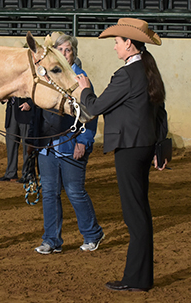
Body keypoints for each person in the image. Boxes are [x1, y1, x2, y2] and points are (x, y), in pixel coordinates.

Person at [75, 18, 168, 293]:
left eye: (117, 42)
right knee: (140, 211)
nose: (115, 47)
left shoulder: (126, 75)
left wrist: (84, 89)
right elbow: (159, 113)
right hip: (143, 146)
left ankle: (136, 279)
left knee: (134, 214)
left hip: (129, 147)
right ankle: (141, 277)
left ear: (129, 44)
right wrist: (160, 147)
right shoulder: (148, 70)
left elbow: (94, 107)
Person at [30, 32, 104, 255]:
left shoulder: (80, 78)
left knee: (74, 191)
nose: (64, 54)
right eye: (59, 50)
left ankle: (92, 234)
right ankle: (51, 240)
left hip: (71, 143)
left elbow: (91, 112)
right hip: (48, 144)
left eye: (67, 50)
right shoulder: (50, 77)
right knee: (50, 192)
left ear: (73, 54)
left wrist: (83, 141)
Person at [0, 97, 33, 182]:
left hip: (25, 112)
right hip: (11, 111)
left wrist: (30, 104)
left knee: (27, 147)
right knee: (10, 144)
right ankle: (11, 173)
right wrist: (3, 97)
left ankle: (27, 174)